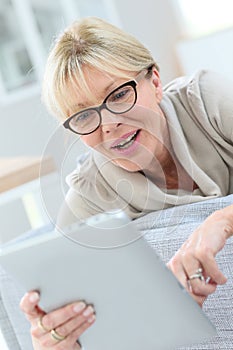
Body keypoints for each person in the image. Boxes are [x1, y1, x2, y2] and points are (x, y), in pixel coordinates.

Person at [20, 16, 233, 349]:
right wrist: (58, 341)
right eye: (84, 115)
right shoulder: (89, 197)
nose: (109, 124)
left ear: (155, 81)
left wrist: (223, 219)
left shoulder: (208, 100)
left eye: (118, 95)